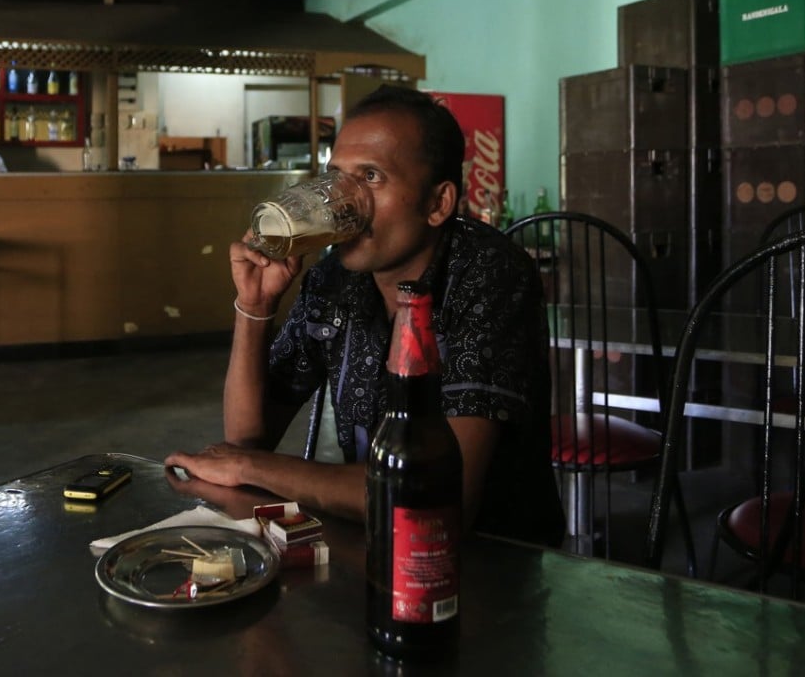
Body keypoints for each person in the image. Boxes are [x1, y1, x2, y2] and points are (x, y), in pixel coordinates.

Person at [165, 84, 565, 546]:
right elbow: (246, 440)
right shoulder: (335, 278)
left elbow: (439, 496)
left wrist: (256, 469)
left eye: (371, 177)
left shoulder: (490, 275)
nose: (342, 199)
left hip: (490, 565)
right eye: (337, 175)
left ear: (438, 204)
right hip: (368, 547)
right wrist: (254, 308)